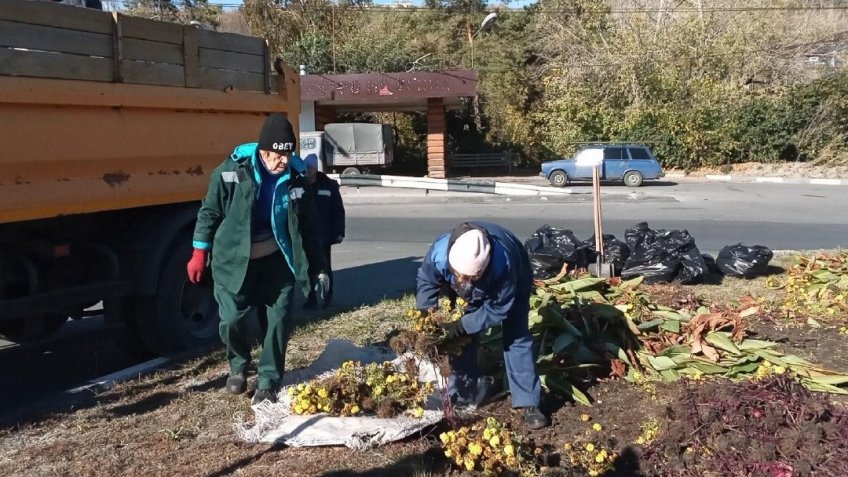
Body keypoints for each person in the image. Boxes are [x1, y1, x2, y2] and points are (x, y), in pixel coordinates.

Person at [187, 113, 328, 405]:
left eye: (288, 154)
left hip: (276, 260)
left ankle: (268, 381)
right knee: (232, 319)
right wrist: (199, 252)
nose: (284, 161)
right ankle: (238, 365)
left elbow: (311, 226)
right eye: (278, 155)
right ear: (263, 151)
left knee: (278, 320)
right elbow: (209, 212)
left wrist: (320, 269)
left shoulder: (297, 177)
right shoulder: (231, 170)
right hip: (233, 259)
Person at [416, 221, 549, 429]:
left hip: (514, 275)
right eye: (461, 276)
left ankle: (528, 401)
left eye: (471, 278)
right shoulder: (440, 253)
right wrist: (427, 313)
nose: (465, 281)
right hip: (468, 274)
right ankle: (462, 393)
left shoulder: (504, 265)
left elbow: (497, 309)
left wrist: (462, 325)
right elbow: (427, 280)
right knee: (461, 340)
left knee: (517, 336)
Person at [303, 154, 345, 308]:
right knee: (308, 268)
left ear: (316, 169)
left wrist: (339, 232)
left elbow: (338, 210)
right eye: (306, 167)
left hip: (323, 236)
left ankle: (327, 297)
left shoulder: (328, 186)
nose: (308, 170)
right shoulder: (300, 185)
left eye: (311, 167)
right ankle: (310, 298)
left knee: (325, 267)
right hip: (306, 235)